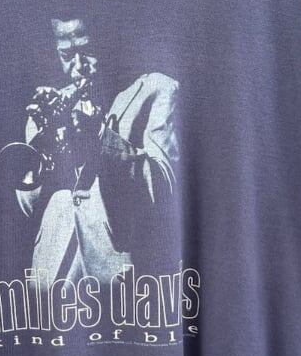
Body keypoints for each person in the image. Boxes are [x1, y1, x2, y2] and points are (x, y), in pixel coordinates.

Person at [12, 17, 181, 288]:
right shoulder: (50, 108)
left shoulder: (157, 90)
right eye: (67, 55)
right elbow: (28, 205)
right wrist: (48, 145)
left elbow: (164, 189)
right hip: (50, 278)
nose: (79, 66)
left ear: (110, 41)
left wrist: (101, 137)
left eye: (87, 50)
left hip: (123, 278)